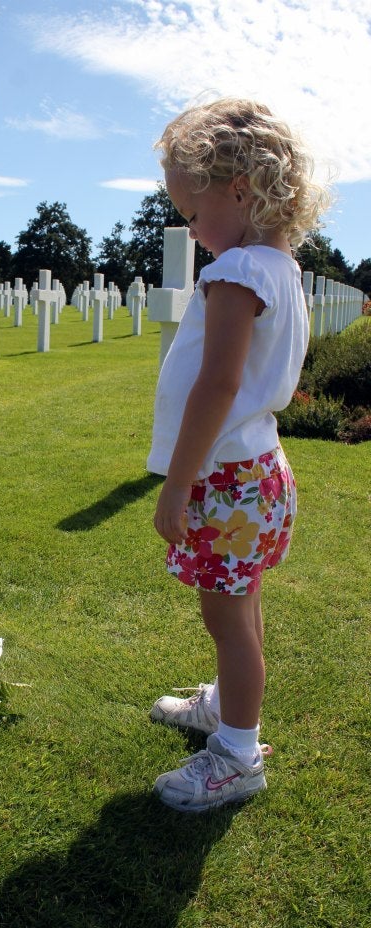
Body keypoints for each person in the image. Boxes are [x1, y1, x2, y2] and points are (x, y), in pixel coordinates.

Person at [147, 98, 330, 812]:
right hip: (261, 473)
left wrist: (176, 485)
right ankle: (227, 708)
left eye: (192, 216)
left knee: (225, 617)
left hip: (226, 480)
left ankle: (236, 752)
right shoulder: (282, 269)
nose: (191, 234)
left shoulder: (238, 273)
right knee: (241, 605)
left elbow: (218, 384)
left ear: (239, 190)